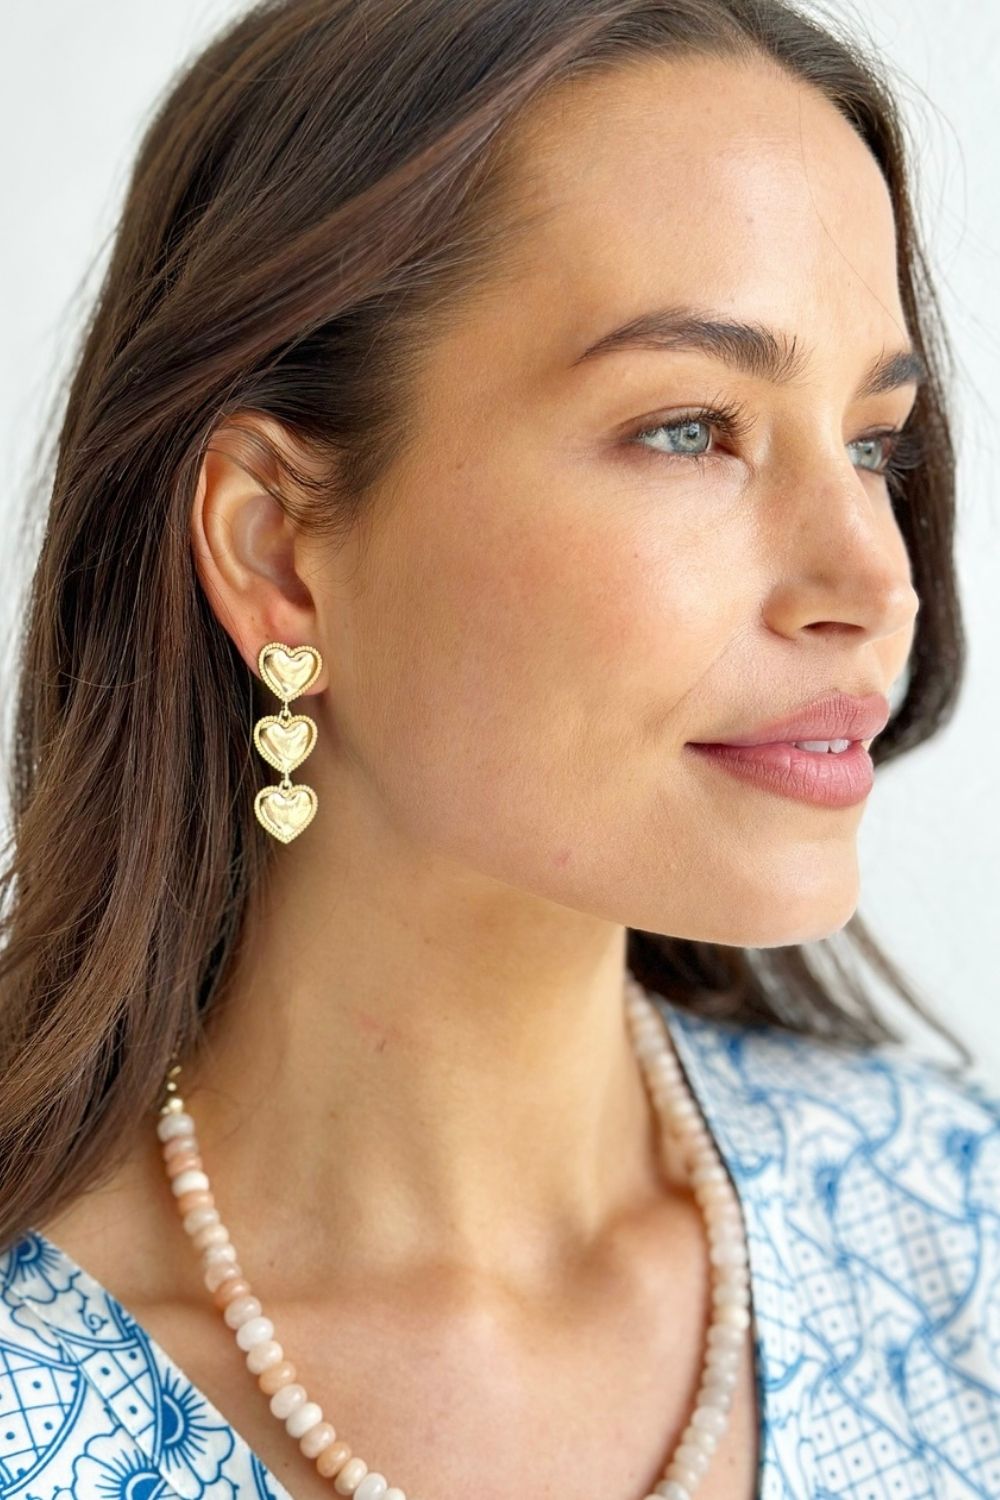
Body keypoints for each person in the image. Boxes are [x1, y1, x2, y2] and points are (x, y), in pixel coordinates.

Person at [1, 0, 997, 1496]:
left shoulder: (959, 1248)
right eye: (691, 429)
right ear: (276, 550)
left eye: (873, 443)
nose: (876, 581)